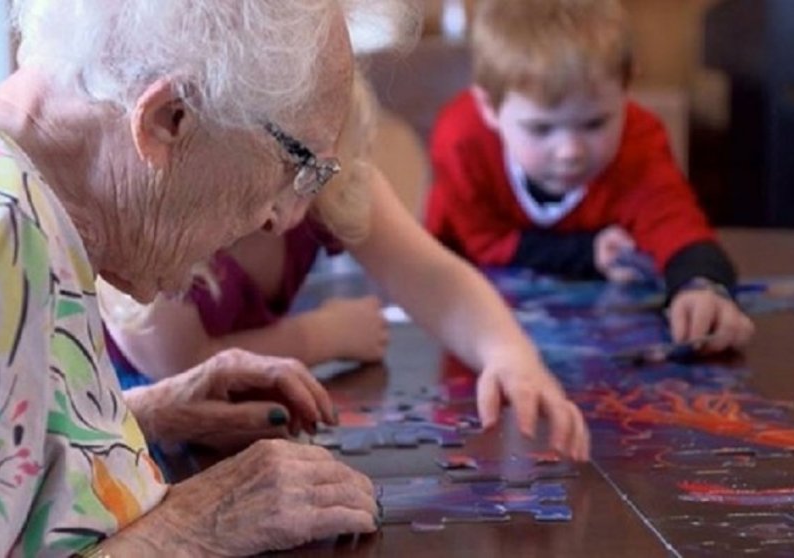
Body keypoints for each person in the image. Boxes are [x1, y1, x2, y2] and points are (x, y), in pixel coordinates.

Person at [0, 1, 420, 555]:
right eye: (297, 162)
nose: (280, 214)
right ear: (168, 119)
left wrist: (134, 417)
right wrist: (191, 530)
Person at [101, 72, 590, 462]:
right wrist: (322, 336)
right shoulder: (153, 203)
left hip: (253, 428)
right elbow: (182, 368)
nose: (291, 211)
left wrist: (509, 354)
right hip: (126, 434)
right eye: (286, 166)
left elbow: (438, 281)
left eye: (315, 167)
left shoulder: (326, 174)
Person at [424, 0, 755, 352]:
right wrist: (586, 252)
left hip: (599, 341)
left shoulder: (639, 140)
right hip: (467, 327)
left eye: (595, 123)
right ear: (489, 108)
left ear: (627, 91)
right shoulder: (461, 140)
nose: (570, 150)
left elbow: (677, 224)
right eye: (540, 128)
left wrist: (702, 285)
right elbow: (483, 241)